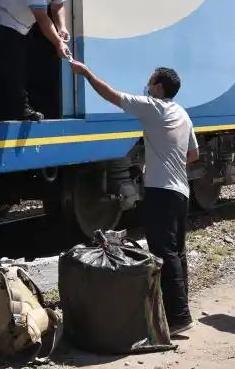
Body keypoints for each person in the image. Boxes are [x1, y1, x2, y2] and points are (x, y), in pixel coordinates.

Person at [67, 60, 199, 335]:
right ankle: (180, 308)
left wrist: (86, 73)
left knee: (164, 252)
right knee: (177, 252)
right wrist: (159, 162)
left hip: (161, 192)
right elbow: (193, 155)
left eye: (151, 82)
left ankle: (178, 317)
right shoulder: (183, 114)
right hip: (181, 192)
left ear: (159, 87)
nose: (148, 86)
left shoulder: (154, 107)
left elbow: (111, 95)